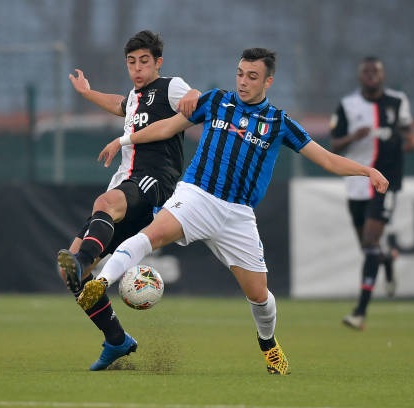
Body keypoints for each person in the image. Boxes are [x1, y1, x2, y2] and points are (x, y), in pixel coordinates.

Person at [66, 48, 389, 375]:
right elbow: (166, 128)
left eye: (252, 76)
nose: (243, 82)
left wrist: (368, 171)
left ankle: (268, 344)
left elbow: (328, 160)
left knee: (260, 296)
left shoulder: (278, 122)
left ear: (268, 81)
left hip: (238, 215)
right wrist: (124, 140)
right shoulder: (216, 101)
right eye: (240, 74)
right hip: (196, 196)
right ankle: (102, 280)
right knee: (151, 236)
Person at [57, 30, 199, 370]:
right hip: (128, 183)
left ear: (158, 62)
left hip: (154, 181)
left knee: (104, 204)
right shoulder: (135, 99)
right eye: (131, 62)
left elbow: (195, 96)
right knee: (68, 274)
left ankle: (82, 261)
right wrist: (87, 93)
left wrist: (194, 95)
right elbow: (118, 104)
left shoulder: (170, 86)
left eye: (144, 62)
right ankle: (117, 340)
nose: (137, 68)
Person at [330, 56, 414, 331]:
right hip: (357, 183)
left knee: (370, 241)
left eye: (375, 71)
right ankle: (387, 258)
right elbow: (334, 145)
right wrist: (353, 137)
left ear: (382, 75)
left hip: (386, 183)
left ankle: (360, 312)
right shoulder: (348, 105)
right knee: (368, 248)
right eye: (366, 72)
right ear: (360, 77)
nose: (371, 76)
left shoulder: (397, 101)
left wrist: (410, 140)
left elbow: (409, 135)